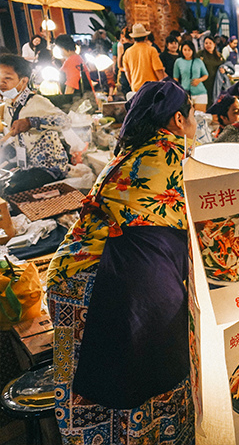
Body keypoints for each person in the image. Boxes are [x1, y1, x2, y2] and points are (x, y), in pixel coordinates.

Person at [46, 80, 196, 445]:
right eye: (193, 116)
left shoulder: (135, 151)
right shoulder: (170, 157)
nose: (195, 124)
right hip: (102, 286)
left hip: (70, 279)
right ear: (178, 120)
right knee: (128, 387)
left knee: (102, 391)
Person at [0, 54, 70, 193]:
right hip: (26, 165)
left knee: (11, 191)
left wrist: (31, 122)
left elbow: (65, 122)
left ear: (24, 81)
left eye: (7, 78)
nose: (1, 83)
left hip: (49, 166)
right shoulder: (8, 105)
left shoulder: (37, 101)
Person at [122, 23, 166, 92]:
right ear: (146, 37)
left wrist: (132, 84)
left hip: (136, 88)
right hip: (152, 87)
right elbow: (158, 70)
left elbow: (127, 72)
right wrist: (163, 85)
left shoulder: (127, 52)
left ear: (133, 38)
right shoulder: (151, 50)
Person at [174, 40, 209, 111]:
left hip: (200, 92)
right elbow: (175, 77)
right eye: (185, 50)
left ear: (193, 50)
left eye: (189, 50)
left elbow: (206, 74)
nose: (187, 52)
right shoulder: (178, 61)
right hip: (185, 93)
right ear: (181, 50)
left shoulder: (198, 61)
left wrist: (199, 80)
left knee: (200, 118)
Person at [199, 36, 225, 104]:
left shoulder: (219, 56)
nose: (208, 45)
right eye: (206, 43)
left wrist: (224, 69)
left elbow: (225, 66)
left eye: (210, 43)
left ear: (214, 44)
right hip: (203, 84)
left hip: (216, 84)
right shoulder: (200, 55)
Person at [113, 26, 134, 96]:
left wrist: (119, 67)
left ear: (123, 35)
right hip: (134, 70)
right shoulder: (135, 44)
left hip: (124, 70)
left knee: (127, 92)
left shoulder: (121, 45)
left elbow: (119, 59)